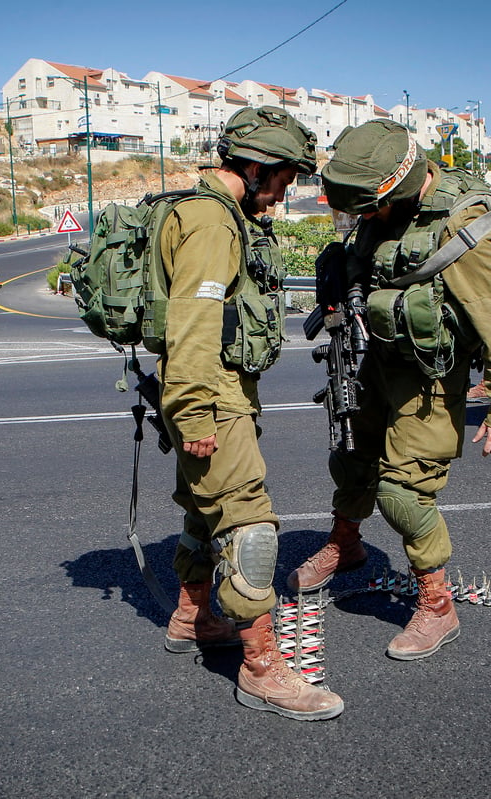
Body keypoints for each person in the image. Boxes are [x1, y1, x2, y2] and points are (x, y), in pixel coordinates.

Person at [287, 119, 491, 661]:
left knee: (403, 491)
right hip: (374, 358)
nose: (363, 219)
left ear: (396, 186)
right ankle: (346, 543)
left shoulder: (457, 228)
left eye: (368, 208)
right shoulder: (385, 211)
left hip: (427, 378)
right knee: (352, 456)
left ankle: (438, 603)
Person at [156, 105, 343, 721]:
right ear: (258, 168)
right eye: (286, 178)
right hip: (210, 396)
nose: (287, 191)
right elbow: (193, 324)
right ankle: (262, 667)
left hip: (207, 392)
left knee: (201, 511)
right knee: (247, 524)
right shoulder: (213, 224)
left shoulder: (209, 213)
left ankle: (194, 614)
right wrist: (195, 415)